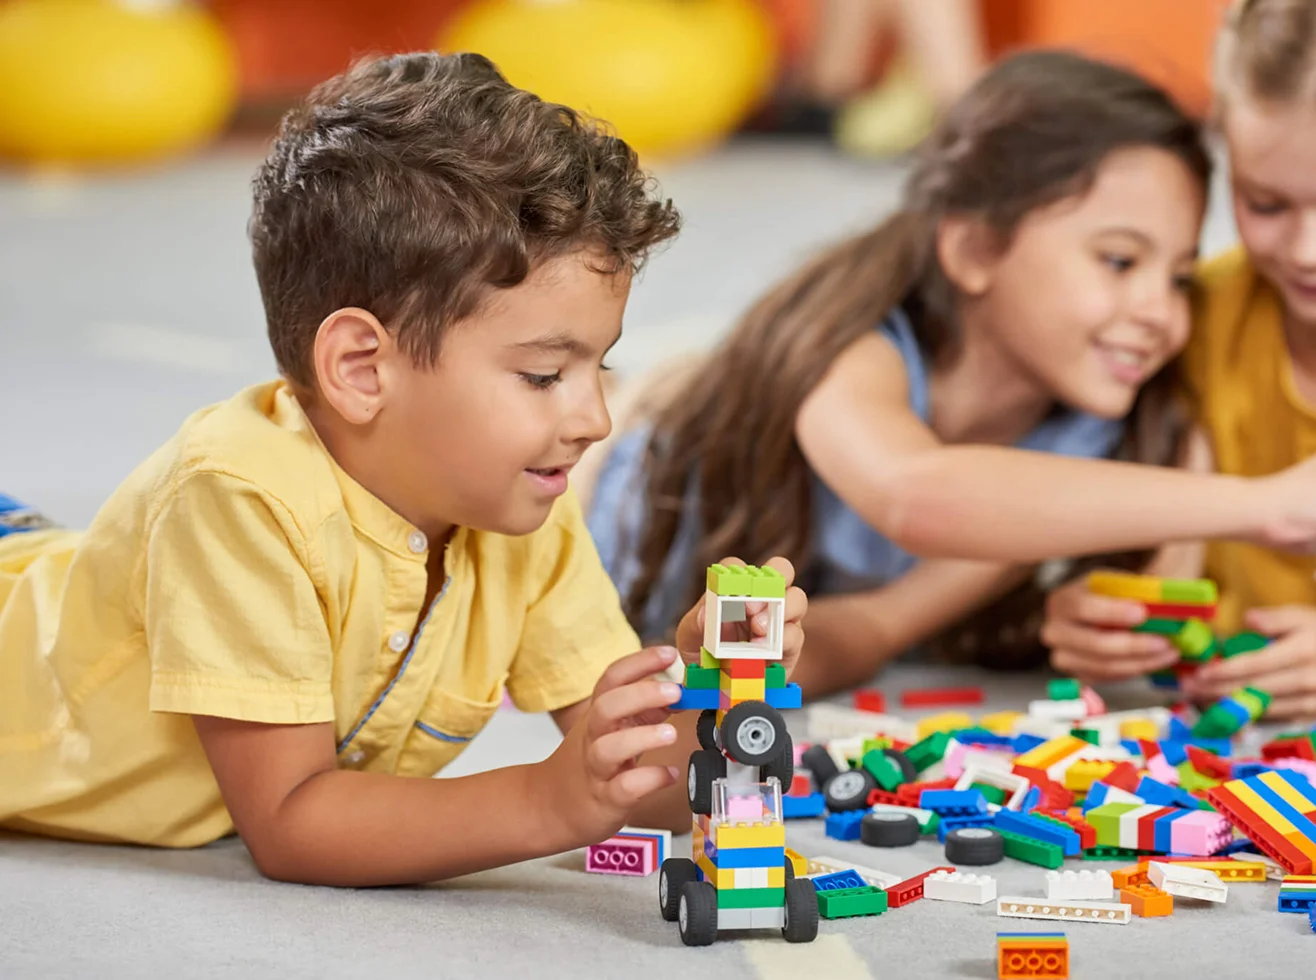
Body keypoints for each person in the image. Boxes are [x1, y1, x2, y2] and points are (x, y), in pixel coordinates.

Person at [0, 52, 807, 885]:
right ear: (361, 369)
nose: (595, 420)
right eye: (543, 375)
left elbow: (635, 784)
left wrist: (716, 695)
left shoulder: (522, 507)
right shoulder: (239, 493)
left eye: (598, 367)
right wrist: (543, 802)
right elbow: (293, 823)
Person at [585, 49, 1316, 701]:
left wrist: (747, 677)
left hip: (706, 613)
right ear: (974, 250)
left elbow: (878, 624)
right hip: (602, 493)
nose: (1162, 312)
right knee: (592, 403)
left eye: (1181, 277)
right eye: (1120, 261)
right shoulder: (854, 348)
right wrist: (1265, 505)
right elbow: (913, 493)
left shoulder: (1077, 450)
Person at [1044, 0, 1316, 720]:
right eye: (1266, 204)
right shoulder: (1195, 316)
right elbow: (1172, 562)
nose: (1305, 251)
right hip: (1225, 741)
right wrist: (1119, 615)